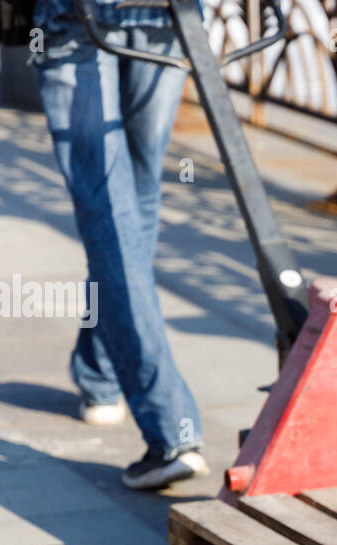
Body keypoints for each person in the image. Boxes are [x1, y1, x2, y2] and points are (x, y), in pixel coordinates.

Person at [32, 0, 208, 490]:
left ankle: (170, 430)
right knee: (129, 202)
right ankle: (102, 371)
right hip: (162, 19)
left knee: (116, 208)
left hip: (82, 18)